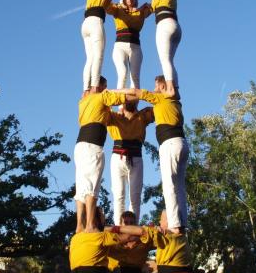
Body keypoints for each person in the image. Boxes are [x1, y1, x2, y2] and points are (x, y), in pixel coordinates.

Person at [131, 75, 189, 230]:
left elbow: (137, 92)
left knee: (169, 185)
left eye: (156, 85)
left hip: (169, 144)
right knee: (179, 186)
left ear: (162, 86)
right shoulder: (175, 102)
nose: (154, 89)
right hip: (182, 143)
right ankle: (183, 222)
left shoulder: (159, 97)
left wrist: (114, 92)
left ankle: (174, 225)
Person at [74, 76, 127, 232]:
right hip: (93, 146)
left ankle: (79, 225)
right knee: (91, 186)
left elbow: (108, 116)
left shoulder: (83, 101)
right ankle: (90, 224)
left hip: (80, 146)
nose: (106, 90)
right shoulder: (101, 97)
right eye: (105, 87)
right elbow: (120, 97)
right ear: (99, 87)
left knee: (81, 185)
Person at [82, 0, 138, 93]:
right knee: (98, 56)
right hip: (95, 22)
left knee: (89, 58)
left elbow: (107, 3)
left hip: (85, 24)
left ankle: (85, 89)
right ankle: (95, 87)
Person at [107, 101, 154, 224]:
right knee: (118, 196)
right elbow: (102, 107)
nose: (129, 100)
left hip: (136, 157)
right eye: (126, 98)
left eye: (132, 98)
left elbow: (157, 108)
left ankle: (133, 228)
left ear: (137, 101)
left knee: (135, 196)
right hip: (118, 157)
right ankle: (118, 227)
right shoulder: (114, 116)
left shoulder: (142, 116)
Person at [139, 0, 181, 98]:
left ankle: (171, 89)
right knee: (170, 61)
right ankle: (176, 90)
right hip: (175, 26)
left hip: (164, 25)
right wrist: (143, 9)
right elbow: (149, 11)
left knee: (165, 60)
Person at [107, 0, 152, 89]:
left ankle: (133, 104)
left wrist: (145, 7)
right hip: (120, 46)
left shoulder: (141, 13)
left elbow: (155, 5)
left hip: (135, 47)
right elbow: (106, 6)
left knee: (135, 77)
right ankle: (121, 104)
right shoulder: (118, 9)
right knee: (122, 74)